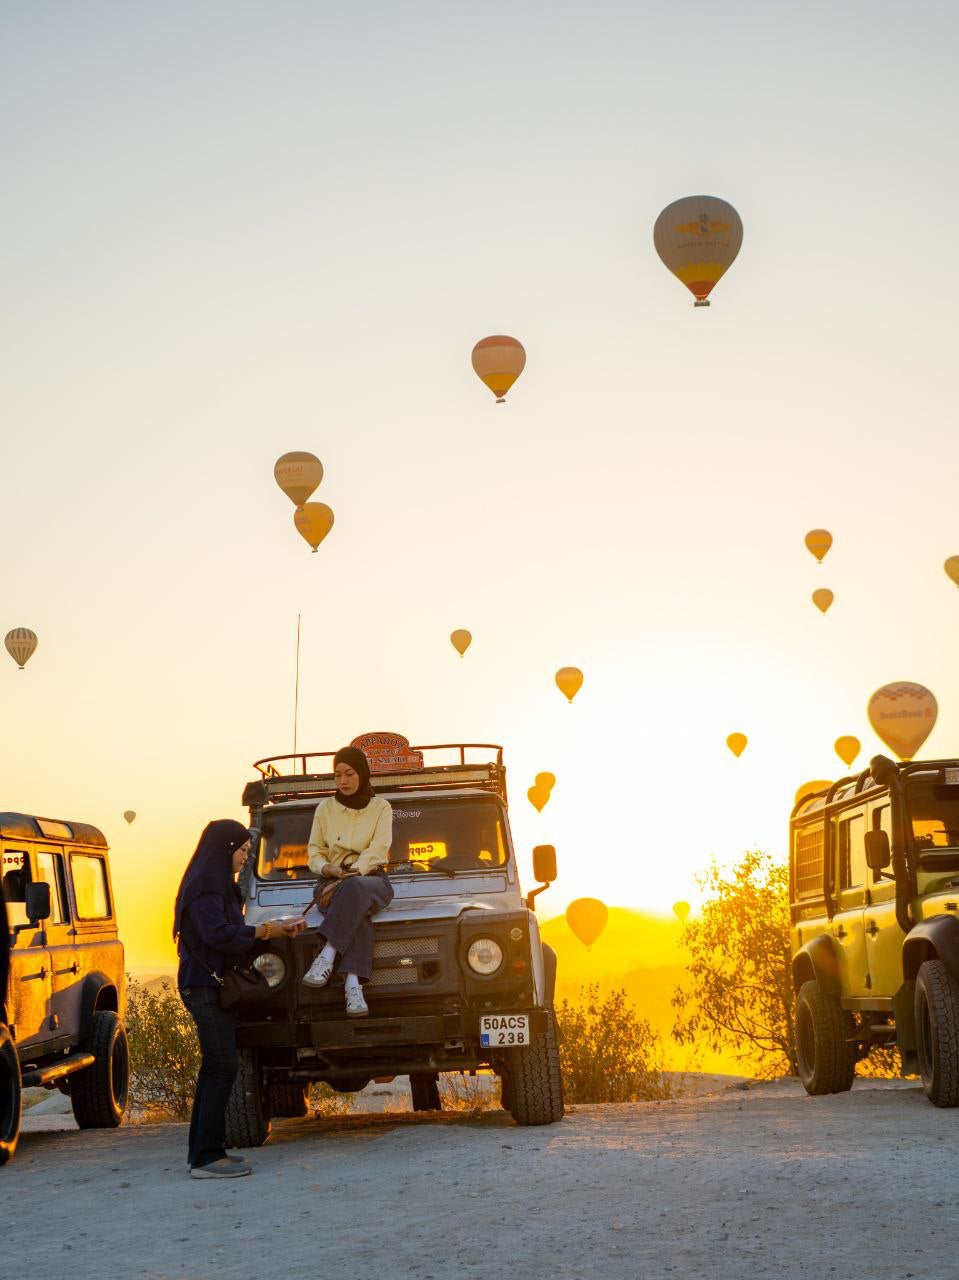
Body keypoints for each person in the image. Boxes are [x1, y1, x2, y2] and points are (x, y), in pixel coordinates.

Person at [175, 818, 304, 1179]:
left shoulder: (215, 885)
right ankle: (205, 1158)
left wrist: (277, 930)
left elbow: (232, 934)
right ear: (225, 849)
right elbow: (219, 935)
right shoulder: (204, 887)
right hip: (203, 986)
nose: (246, 857)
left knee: (215, 1068)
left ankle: (205, 1152)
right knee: (222, 1066)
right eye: (243, 850)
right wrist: (266, 929)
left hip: (210, 985)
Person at [301, 746, 394, 1016]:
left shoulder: (381, 808)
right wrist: (328, 868)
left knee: (355, 889)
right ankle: (353, 986)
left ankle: (327, 954)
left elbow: (379, 848)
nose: (343, 780)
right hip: (330, 881)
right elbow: (314, 851)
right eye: (337, 774)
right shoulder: (325, 809)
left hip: (372, 879)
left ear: (362, 773)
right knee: (358, 909)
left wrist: (353, 873)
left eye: (349, 773)